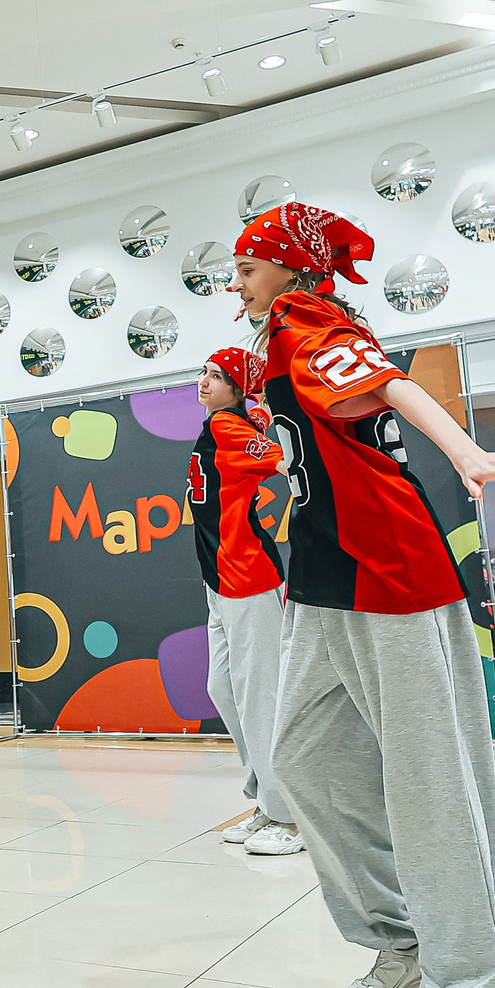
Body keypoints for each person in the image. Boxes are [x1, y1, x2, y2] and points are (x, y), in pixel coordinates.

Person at [236, 203, 495, 988]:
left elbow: (391, 386)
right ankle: (401, 940)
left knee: (429, 785)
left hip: (394, 575)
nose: (237, 282)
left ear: (288, 268)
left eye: (246, 265)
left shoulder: (308, 319)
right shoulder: (278, 331)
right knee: (300, 761)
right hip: (326, 579)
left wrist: (466, 455)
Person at [187, 347, 305, 857]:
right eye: (204, 373)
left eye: (216, 376)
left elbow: (283, 460)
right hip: (220, 581)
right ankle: (265, 800)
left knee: (259, 700)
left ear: (238, 387)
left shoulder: (227, 429)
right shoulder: (222, 426)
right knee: (224, 690)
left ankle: (291, 816)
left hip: (249, 578)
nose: (203, 381)